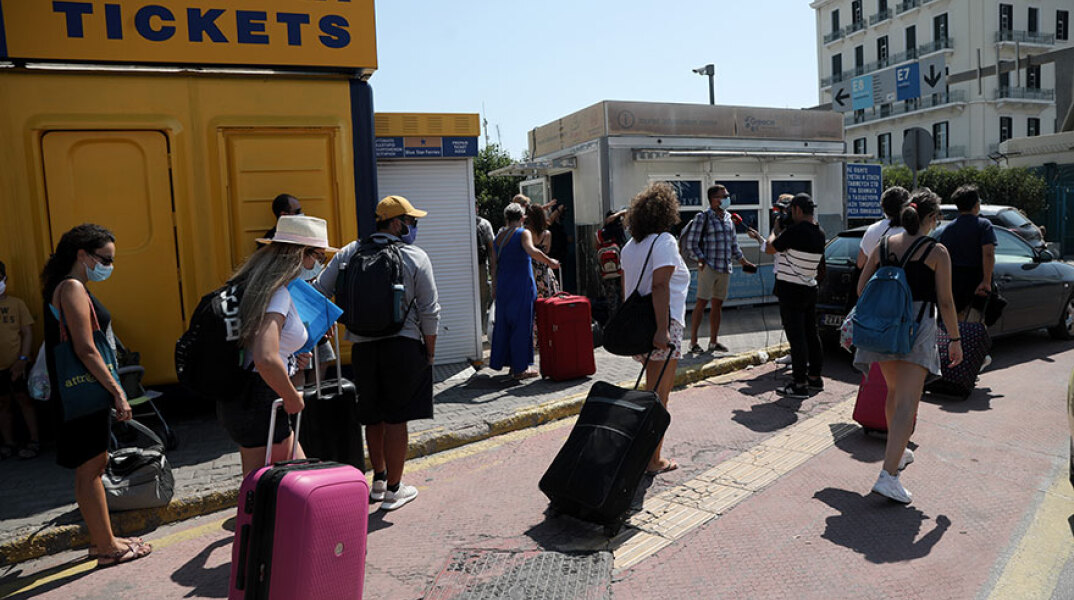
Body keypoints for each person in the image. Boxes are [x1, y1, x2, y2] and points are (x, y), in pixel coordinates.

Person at [315, 195, 440, 511]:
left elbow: (318, 291)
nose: (413, 227)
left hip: (362, 348)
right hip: (403, 347)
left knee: (373, 416)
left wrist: (324, 326)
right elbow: (430, 310)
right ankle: (395, 491)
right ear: (396, 223)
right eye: (411, 221)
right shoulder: (415, 256)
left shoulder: (349, 252)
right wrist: (430, 352)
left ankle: (379, 480)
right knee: (397, 419)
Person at [40, 224, 152, 567]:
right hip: (84, 392)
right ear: (82, 255)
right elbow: (87, 350)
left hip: (78, 393)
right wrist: (118, 392)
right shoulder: (72, 287)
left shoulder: (66, 286)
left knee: (92, 466)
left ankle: (103, 540)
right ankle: (107, 547)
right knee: (92, 468)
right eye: (105, 259)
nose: (109, 266)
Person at [854, 191, 962, 503]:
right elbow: (945, 301)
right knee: (907, 404)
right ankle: (888, 476)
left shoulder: (883, 245)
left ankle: (896, 454)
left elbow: (862, 287)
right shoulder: (936, 251)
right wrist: (955, 340)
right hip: (917, 329)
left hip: (884, 329)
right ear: (932, 218)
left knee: (894, 395)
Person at [218, 215, 335, 478]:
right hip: (263, 398)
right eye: (318, 257)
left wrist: (292, 359)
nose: (318, 264)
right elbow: (265, 357)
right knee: (293, 481)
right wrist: (292, 397)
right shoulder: (278, 294)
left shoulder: (257, 285)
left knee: (261, 485)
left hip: (246, 396)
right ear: (301, 255)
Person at [621, 182, 691, 476]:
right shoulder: (665, 241)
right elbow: (661, 285)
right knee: (659, 398)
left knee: (650, 394)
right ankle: (653, 459)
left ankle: (642, 454)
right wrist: (662, 330)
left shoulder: (630, 246)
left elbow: (627, 289)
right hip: (662, 327)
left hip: (640, 327)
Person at [751, 193, 826, 398]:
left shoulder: (795, 232)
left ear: (798, 210)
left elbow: (769, 248)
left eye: (791, 211)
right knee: (811, 334)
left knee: (797, 337)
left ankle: (799, 384)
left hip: (791, 290)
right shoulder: (819, 232)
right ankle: (815, 378)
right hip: (809, 289)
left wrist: (775, 231)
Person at [489, 203, 559, 380]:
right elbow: (532, 250)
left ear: (506, 218)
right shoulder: (523, 233)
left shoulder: (498, 237)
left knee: (505, 326)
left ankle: (510, 365)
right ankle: (520, 369)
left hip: (504, 287)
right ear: (522, 218)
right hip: (521, 286)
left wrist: (494, 288)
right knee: (521, 325)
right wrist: (550, 262)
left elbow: (493, 265)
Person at [685, 184, 757, 354]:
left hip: (725, 267)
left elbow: (734, 245)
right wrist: (700, 259)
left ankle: (713, 341)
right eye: (722, 196)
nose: (726, 199)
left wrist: (744, 261)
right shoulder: (703, 217)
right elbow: (691, 243)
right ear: (713, 199)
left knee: (718, 304)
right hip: (708, 266)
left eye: (727, 196)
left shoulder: (728, 219)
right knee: (701, 303)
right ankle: (693, 342)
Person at [0, 261, 40, 459]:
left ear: (4, 279)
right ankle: (8, 443)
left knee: (24, 400)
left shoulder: (16, 304)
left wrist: (22, 359)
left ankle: (34, 441)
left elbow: (27, 332)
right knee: (3, 404)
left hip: (17, 364)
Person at [938, 184, 996, 319]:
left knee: (958, 325)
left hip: (956, 284)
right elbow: (988, 253)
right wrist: (986, 281)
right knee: (976, 325)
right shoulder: (984, 225)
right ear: (976, 205)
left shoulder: (948, 229)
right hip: (977, 282)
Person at [857, 186, 910, 269]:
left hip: (876, 279)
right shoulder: (911, 230)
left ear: (883, 206)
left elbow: (860, 263)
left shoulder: (872, 230)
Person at [526, 203, 559, 298]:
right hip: (544, 271)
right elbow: (547, 251)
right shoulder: (547, 234)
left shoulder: (525, 233)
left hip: (530, 270)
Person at [476, 203, 496, 335]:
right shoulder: (458, 221)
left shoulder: (483, 224)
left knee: (483, 297)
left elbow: (491, 248)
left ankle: (482, 329)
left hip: (481, 267)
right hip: (463, 269)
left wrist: (493, 272)